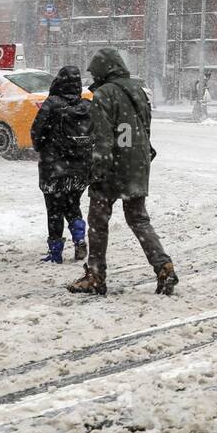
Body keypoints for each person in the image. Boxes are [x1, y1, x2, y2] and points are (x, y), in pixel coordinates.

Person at [68, 48, 176, 296]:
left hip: (113, 166)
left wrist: (97, 171)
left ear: (103, 71)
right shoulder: (138, 90)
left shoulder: (104, 94)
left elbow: (102, 137)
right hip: (137, 164)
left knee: (97, 221)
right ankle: (164, 267)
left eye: (95, 73)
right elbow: (145, 128)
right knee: (138, 219)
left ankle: (96, 275)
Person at [30, 65, 92, 263]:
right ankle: (80, 238)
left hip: (54, 168)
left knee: (54, 210)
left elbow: (36, 134)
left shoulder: (52, 104)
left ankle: (55, 253)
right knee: (72, 204)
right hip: (80, 168)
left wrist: (44, 147)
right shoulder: (86, 106)